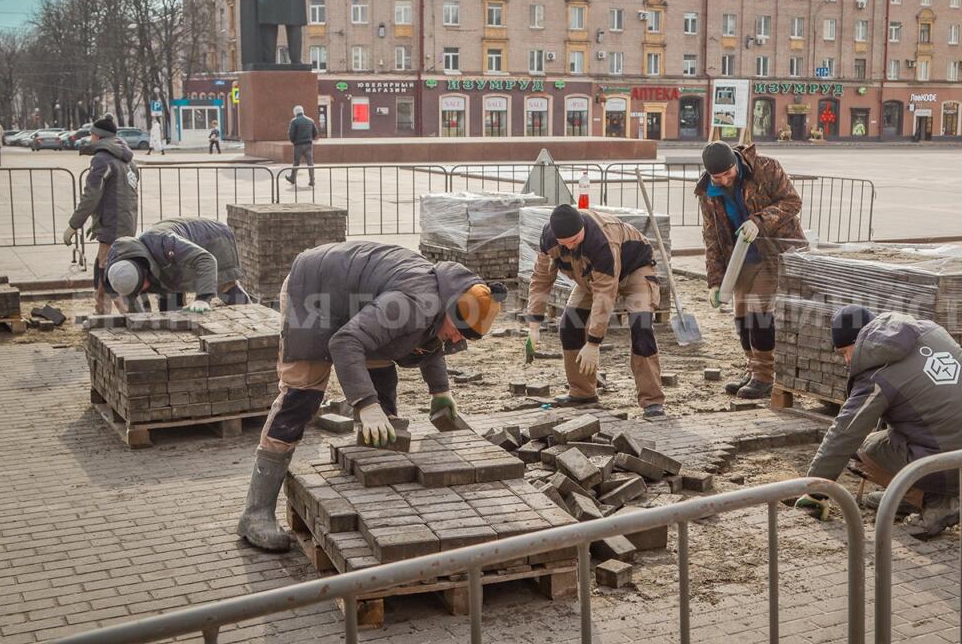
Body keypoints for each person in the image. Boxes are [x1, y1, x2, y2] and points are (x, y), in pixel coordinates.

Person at [238, 241, 506, 551]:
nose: (459, 339)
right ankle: (255, 513)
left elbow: (432, 341)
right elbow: (345, 342)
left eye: (468, 336)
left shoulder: (452, 297)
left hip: (358, 301)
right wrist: (365, 405)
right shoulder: (412, 303)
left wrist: (440, 392)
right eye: (459, 330)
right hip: (315, 293)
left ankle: (371, 474)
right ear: (449, 308)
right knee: (302, 396)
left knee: (381, 380)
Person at [795, 305, 962, 537]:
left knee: (864, 451)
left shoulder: (877, 376)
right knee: (888, 437)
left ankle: (933, 502)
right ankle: (908, 494)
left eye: (846, 351)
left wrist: (815, 492)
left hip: (957, 456)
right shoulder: (929, 330)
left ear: (863, 341)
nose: (847, 360)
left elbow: (844, 434)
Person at [525, 205, 666, 419]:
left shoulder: (602, 241)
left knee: (641, 326)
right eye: (566, 243)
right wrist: (534, 324)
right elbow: (541, 279)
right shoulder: (549, 240)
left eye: (575, 240)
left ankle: (652, 400)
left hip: (635, 270)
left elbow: (605, 295)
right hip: (591, 276)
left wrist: (593, 343)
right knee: (570, 324)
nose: (571, 246)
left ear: (582, 228)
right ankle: (583, 392)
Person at [696, 141, 805, 400]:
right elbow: (712, 236)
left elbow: (792, 201)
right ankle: (752, 367)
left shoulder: (766, 168)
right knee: (742, 312)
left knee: (759, 310)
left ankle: (764, 377)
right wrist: (715, 280)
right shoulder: (707, 193)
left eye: (727, 173)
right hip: (741, 257)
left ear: (735, 163)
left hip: (777, 251)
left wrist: (759, 221)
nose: (723, 180)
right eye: (717, 176)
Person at [63, 116, 140, 314]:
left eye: (91, 135)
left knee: (107, 270)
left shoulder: (102, 159)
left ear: (97, 136)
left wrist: (74, 225)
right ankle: (103, 310)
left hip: (113, 224)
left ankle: (126, 313)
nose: (90, 140)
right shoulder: (129, 160)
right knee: (106, 266)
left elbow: (91, 195)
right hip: (126, 221)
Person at [104, 217, 248, 312]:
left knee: (224, 286)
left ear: (144, 270)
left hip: (213, 238)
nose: (145, 289)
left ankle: (254, 317)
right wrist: (137, 319)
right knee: (168, 293)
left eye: (143, 284)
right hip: (175, 256)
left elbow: (206, 260)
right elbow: (132, 298)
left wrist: (202, 298)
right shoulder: (119, 266)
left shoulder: (163, 243)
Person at [284, 105, 317, 187]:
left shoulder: (294, 121)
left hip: (298, 145)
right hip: (308, 144)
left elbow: (291, 134)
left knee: (296, 162)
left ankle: (292, 178)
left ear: (295, 112)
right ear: (302, 111)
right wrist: (310, 139)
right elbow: (315, 133)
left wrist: (293, 141)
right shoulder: (310, 121)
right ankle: (312, 180)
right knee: (310, 163)